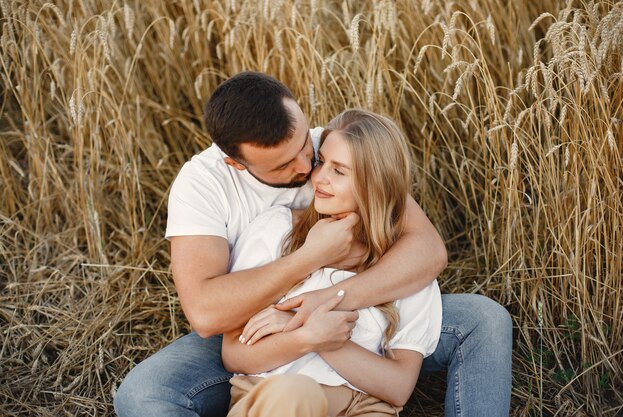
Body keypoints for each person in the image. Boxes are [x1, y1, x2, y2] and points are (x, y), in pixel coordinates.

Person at [114, 72, 512, 417]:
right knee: (143, 395)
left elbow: (426, 249)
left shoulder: (337, 147)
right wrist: (313, 258)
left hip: (360, 316)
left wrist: (323, 302)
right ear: (237, 163)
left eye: (307, 147)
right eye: (284, 166)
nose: (307, 170)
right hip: (254, 328)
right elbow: (205, 314)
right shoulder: (204, 186)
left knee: (483, 320)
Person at [221, 109, 442, 417]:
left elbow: (398, 387)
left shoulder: (405, 269)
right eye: (322, 161)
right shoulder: (277, 230)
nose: (319, 177)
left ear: (374, 183)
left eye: (339, 171)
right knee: (295, 392)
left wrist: (314, 333)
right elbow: (234, 354)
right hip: (280, 399)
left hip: (362, 408)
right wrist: (307, 336)